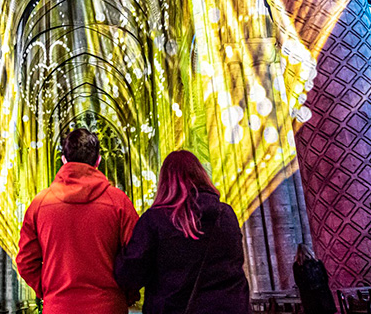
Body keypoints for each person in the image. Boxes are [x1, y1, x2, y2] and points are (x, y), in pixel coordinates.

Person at [16, 128, 139, 314]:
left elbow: (26, 261)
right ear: (98, 161)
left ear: (63, 160)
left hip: (59, 308)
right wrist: (126, 294)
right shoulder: (119, 202)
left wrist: (50, 291)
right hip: (108, 307)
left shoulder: (39, 204)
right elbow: (138, 257)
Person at [114, 150, 250, 314]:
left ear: (164, 183)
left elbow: (130, 275)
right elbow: (235, 262)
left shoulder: (155, 220)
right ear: (202, 175)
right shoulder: (226, 214)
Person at [293, 244, 335, 314]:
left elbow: (298, 281)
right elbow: (325, 277)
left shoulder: (297, 265)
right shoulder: (317, 262)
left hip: (308, 296)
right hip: (322, 293)